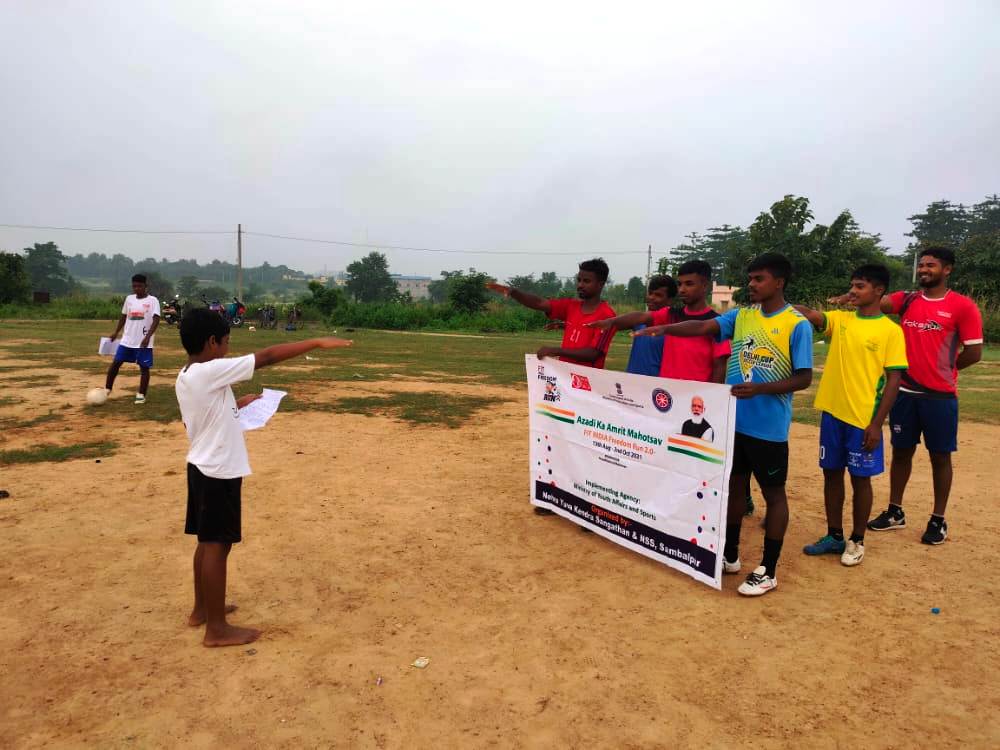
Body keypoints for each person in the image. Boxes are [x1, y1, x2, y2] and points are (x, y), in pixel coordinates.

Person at [634, 253, 813, 596]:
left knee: (774, 495)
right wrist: (666, 328)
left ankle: (768, 569)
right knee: (735, 486)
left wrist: (760, 388)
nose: (752, 284)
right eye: (751, 278)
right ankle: (730, 554)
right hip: (733, 421)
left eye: (759, 278)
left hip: (768, 428)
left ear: (779, 282)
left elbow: (803, 378)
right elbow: (703, 327)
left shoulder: (796, 324)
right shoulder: (742, 315)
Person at [176, 307, 352, 647]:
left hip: (200, 466)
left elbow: (199, 419)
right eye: (226, 341)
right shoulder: (210, 370)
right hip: (218, 471)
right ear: (212, 342)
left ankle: (202, 610)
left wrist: (237, 405)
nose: (228, 348)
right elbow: (267, 356)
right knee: (217, 545)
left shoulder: (187, 375)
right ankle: (217, 630)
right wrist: (316, 342)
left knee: (207, 542)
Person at [854, 247, 983, 544]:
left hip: (940, 397)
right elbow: (873, 300)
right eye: (921, 265)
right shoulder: (907, 299)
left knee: (940, 457)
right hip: (904, 393)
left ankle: (938, 519)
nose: (924, 269)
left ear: (947, 269)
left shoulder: (962, 306)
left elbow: (974, 352)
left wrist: (945, 370)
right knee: (901, 452)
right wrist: (853, 295)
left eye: (931, 265)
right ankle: (895, 511)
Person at [794, 265, 907, 566]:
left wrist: (876, 424)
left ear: (879, 290)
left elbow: (894, 381)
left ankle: (857, 540)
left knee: (860, 480)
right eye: (852, 286)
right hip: (833, 414)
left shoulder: (891, 331)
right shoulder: (841, 321)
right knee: (831, 474)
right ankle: (834, 536)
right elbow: (807, 313)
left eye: (860, 286)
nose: (853, 291)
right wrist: (841, 300)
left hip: (863, 420)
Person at [586, 260, 730, 383]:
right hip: (664, 395)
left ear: (705, 286)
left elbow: (719, 366)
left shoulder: (716, 323)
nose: (682, 289)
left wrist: (713, 398)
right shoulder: (670, 315)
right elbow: (642, 316)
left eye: (689, 284)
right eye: (679, 284)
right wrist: (611, 321)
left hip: (695, 398)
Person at [486, 258, 617, 368]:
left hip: (588, 382)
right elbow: (540, 303)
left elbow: (593, 354)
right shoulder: (571, 306)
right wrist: (514, 292)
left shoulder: (607, 315)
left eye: (586, 281)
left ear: (600, 284)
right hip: (565, 378)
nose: (580, 285)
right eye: (579, 280)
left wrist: (556, 350)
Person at [105, 274, 160, 404]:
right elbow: (124, 317)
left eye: (139, 286)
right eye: (134, 286)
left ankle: (141, 394)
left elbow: (156, 319)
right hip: (127, 340)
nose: (136, 288)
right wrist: (116, 332)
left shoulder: (153, 300)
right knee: (116, 363)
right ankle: (107, 389)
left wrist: (148, 337)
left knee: (144, 368)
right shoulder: (129, 299)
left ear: (146, 286)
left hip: (143, 341)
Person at [625, 275, 677, 376]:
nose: (651, 297)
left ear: (670, 300)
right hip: (630, 380)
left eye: (658, 295)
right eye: (650, 293)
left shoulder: (673, 328)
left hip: (655, 383)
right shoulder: (639, 322)